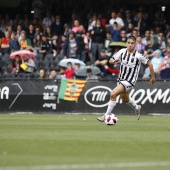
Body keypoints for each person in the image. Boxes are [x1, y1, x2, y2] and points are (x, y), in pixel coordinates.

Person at [97, 35, 156, 122]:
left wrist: (153, 77)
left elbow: (150, 64)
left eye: (132, 43)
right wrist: (113, 61)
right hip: (121, 79)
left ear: (135, 44)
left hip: (130, 81)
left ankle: (106, 115)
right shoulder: (122, 51)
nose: (130, 45)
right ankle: (137, 107)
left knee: (113, 94)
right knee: (124, 99)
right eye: (128, 43)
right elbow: (111, 60)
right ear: (126, 43)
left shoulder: (138, 55)